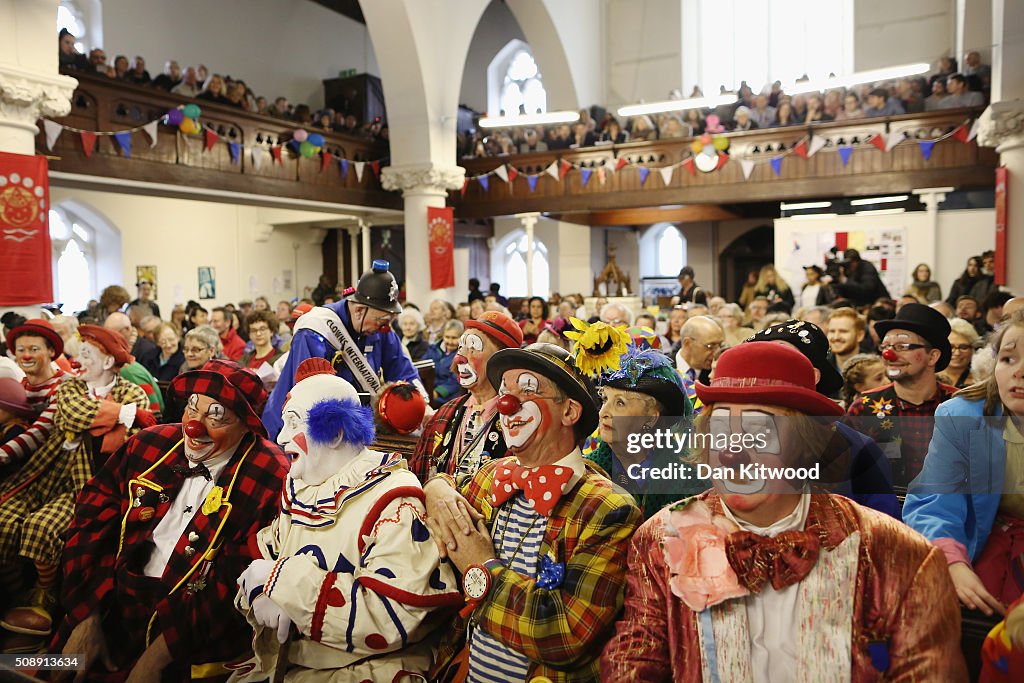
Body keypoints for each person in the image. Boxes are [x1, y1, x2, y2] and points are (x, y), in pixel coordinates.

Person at [600, 342, 966, 681]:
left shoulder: (897, 554)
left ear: (804, 443)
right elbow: (633, 662)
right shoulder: (661, 539)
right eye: (721, 428)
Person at [54, 360, 288, 681]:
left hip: (194, 637)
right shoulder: (149, 443)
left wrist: (156, 659)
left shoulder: (269, 473)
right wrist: (87, 614)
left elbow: (239, 581)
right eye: (193, 407)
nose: (194, 425)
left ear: (246, 424)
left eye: (216, 415)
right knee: (42, 670)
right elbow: (90, 521)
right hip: (112, 605)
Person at [229, 358, 460, 681]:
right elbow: (269, 556)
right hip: (295, 659)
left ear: (336, 433)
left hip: (368, 666)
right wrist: (260, 592)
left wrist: (283, 584)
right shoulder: (303, 483)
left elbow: (391, 617)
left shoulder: (393, 501)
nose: (281, 438)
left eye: (293, 424)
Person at [423, 343, 642, 681]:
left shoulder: (608, 509)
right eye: (504, 391)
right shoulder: (490, 475)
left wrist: (482, 567)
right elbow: (446, 487)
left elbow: (564, 634)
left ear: (569, 412)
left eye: (527, 390)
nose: (507, 403)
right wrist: (436, 488)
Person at [0, 326, 151, 646]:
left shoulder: (132, 391)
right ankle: (13, 592)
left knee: (41, 526)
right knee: (4, 515)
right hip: (52, 472)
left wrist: (120, 422)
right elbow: (72, 416)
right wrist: (126, 415)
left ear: (109, 361)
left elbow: (128, 445)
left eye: (86, 355)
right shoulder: (71, 388)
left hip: (100, 485)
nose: (77, 360)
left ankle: (43, 598)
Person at [904, 309, 1024, 615]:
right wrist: (953, 563)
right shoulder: (962, 416)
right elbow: (934, 503)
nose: (1019, 372)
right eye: (1008, 359)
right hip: (989, 547)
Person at [745, 321, 899, 517]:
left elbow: (886, 531)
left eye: (781, 359)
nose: (765, 369)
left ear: (813, 376)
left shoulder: (857, 450)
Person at [263, 261, 425, 440]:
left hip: (350, 427)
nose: (384, 327)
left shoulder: (380, 329)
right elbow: (309, 395)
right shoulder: (315, 331)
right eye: (381, 320)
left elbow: (403, 372)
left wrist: (423, 406)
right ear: (359, 310)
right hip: (295, 428)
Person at [845, 304, 957, 487]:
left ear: (932, 356)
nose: (889, 354)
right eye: (886, 346)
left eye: (902, 346)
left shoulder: (960, 405)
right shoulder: (864, 408)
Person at [587, 345, 704, 518]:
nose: (603, 412)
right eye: (604, 399)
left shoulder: (690, 474)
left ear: (651, 418)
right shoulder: (587, 472)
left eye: (620, 403)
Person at [410, 311, 523, 485]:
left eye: (473, 348)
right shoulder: (443, 414)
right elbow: (417, 478)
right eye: (461, 348)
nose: (459, 358)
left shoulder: (521, 423)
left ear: (502, 361)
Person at [0, 320, 67, 467]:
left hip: (49, 466)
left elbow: (39, 432)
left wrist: (2, 454)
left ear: (51, 351)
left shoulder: (66, 386)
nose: (26, 356)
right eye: (21, 350)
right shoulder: (21, 386)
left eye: (34, 349)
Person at [675, 316, 725, 412]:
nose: (717, 352)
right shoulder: (661, 369)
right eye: (710, 346)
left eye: (720, 345)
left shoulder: (716, 374)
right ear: (687, 343)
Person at [425, 319, 464, 408]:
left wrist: (437, 392)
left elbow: (456, 381)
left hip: (449, 396)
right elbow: (424, 367)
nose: (450, 341)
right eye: (447, 337)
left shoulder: (462, 355)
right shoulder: (433, 349)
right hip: (429, 391)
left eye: (454, 338)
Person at [938, 317, 980, 388]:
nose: (957, 353)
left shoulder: (980, 379)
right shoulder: (929, 376)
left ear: (973, 349)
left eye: (963, 347)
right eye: (951, 347)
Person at [827, 307, 866, 372]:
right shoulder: (820, 367)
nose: (836, 337)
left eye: (843, 331)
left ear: (860, 336)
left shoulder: (875, 368)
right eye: (832, 331)